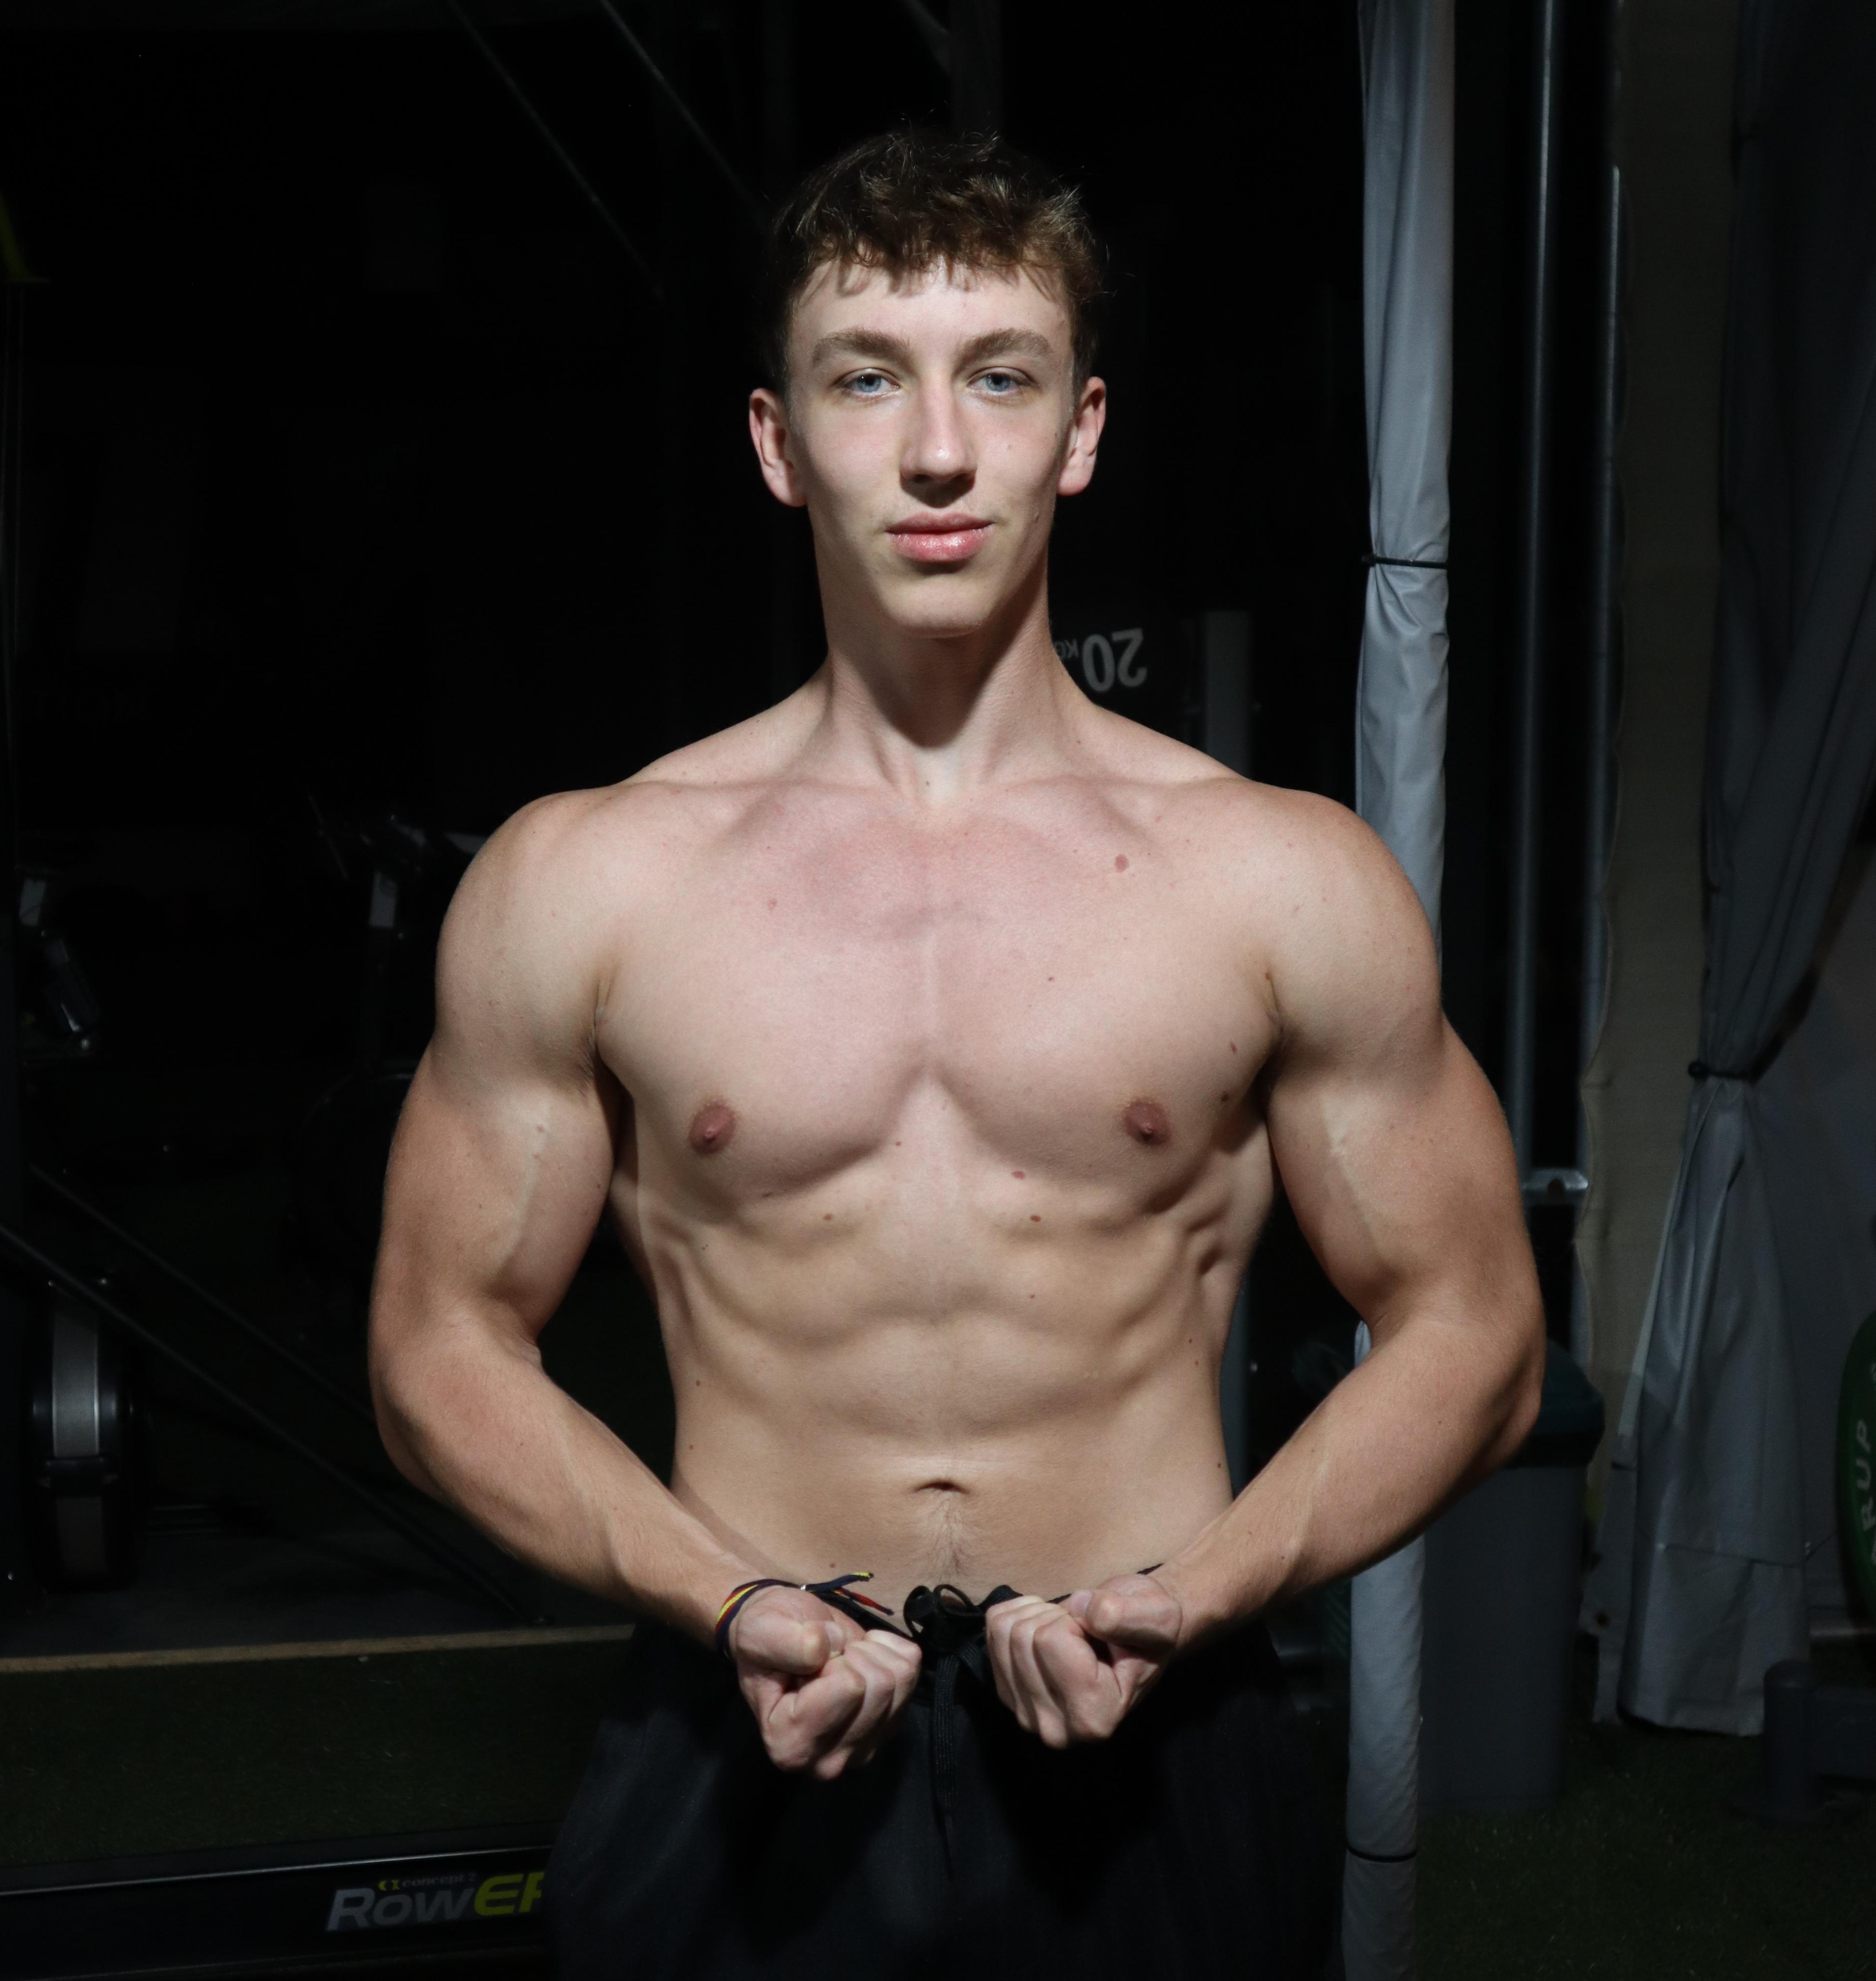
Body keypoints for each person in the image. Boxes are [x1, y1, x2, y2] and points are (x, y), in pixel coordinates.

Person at [368, 129, 1543, 1979]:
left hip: (1158, 1729)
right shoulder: (583, 881)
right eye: (868, 380)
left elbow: (1481, 1330)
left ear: (1079, 432)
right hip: (736, 1715)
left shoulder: (1278, 876)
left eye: (999, 378)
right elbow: (434, 1343)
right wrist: (721, 1596)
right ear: (777, 442)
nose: (937, 450)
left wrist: (1198, 1598)